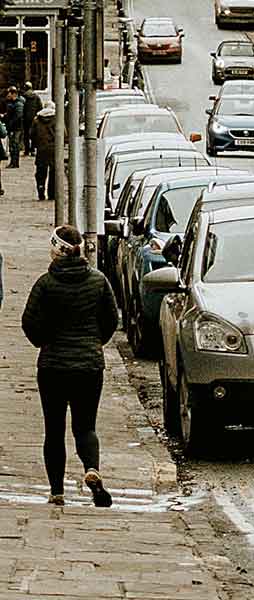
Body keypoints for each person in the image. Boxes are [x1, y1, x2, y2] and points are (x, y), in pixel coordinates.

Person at [21, 225, 119, 507]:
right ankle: (91, 468)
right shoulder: (98, 281)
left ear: (55, 250)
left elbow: (29, 322)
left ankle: (57, 492)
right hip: (89, 365)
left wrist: (44, 341)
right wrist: (94, 341)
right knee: (86, 426)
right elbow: (111, 320)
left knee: (54, 430)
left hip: (52, 367)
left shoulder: (45, 284)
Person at [31, 101, 56, 202]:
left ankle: (41, 190)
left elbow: (31, 134)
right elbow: (64, 134)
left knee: (41, 171)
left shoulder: (37, 120)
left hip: (41, 149)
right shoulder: (56, 119)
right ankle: (52, 193)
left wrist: (36, 143)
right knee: (54, 171)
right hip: (54, 149)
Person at [3, 86, 25, 169]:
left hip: (16, 128)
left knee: (14, 145)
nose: (8, 95)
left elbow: (18, 116)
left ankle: (14, 162)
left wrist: (10, 123)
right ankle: (13, 162)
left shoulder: (18, 103)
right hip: (14, 127)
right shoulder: (13, 103)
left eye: (9, 93)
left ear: (13, 94)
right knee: (13, 145)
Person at [21, 82, 42, 156]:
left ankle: (26, 150)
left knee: (26, 135)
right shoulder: (36, 97)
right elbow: (40, 107)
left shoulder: (23, 96)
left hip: (25, 119)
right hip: (34, 118)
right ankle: (33, 150)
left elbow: (22, 108)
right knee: (33, 134)